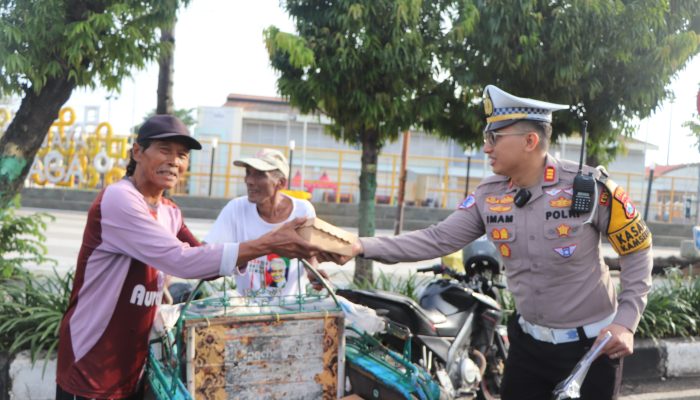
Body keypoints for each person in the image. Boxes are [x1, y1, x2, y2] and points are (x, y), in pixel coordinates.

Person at [324, 85, 653, 400]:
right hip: (528, 346)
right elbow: (437, 238)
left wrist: (626, 322)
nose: (486, 146)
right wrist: (359, 246)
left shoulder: (588, 188)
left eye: (494, 137)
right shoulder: (489, 195)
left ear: (529, 140)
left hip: (591, 348)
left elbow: (637, 248)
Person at [55, 115, 319, 400]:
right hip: (91, 362)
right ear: (137, 152)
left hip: (130, 364)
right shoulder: (120, 199)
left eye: (181, 155)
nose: (174, 161)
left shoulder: (170, 210)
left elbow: (203, 262)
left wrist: (297, 253)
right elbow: (181, 259)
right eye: (164, 150)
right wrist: (269, 242)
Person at [204, 148, 323, 297]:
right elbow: (208, 254)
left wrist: (313, 272)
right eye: (248, 173)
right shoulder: (235, 208)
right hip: (247, 309)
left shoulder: (302, 210)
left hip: (290, 309)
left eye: (260, 174)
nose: (249, 181)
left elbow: (309, 253)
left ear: (280, 183)